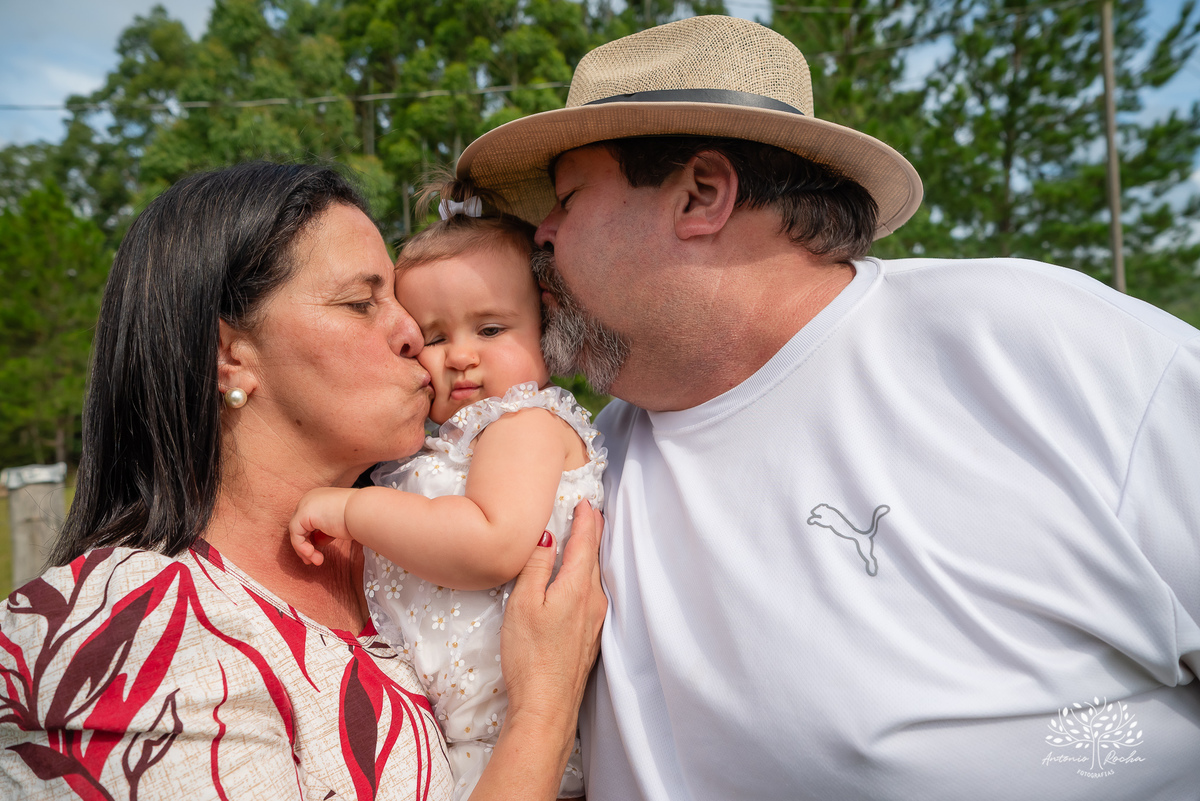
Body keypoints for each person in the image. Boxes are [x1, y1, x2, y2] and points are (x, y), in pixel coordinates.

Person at [455, 14, 1200, 801]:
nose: (542, 233)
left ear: (701, 194)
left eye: (568, 198)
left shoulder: (1036, 350)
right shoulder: (572, 459)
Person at [0, 162, 606, 800]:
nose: (413, 335)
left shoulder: (412, 528)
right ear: (230, 355)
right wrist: (544, 711)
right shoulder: (128, 633)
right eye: (361, 303)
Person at [287, 179, 606, 800]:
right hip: (467, 738)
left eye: (490, 329)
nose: (459, 355)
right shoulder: (453, 445)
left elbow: (490, 544)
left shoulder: (524, 424)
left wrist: (354, 509)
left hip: (511, 735)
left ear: (546, 329)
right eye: (434, 337)